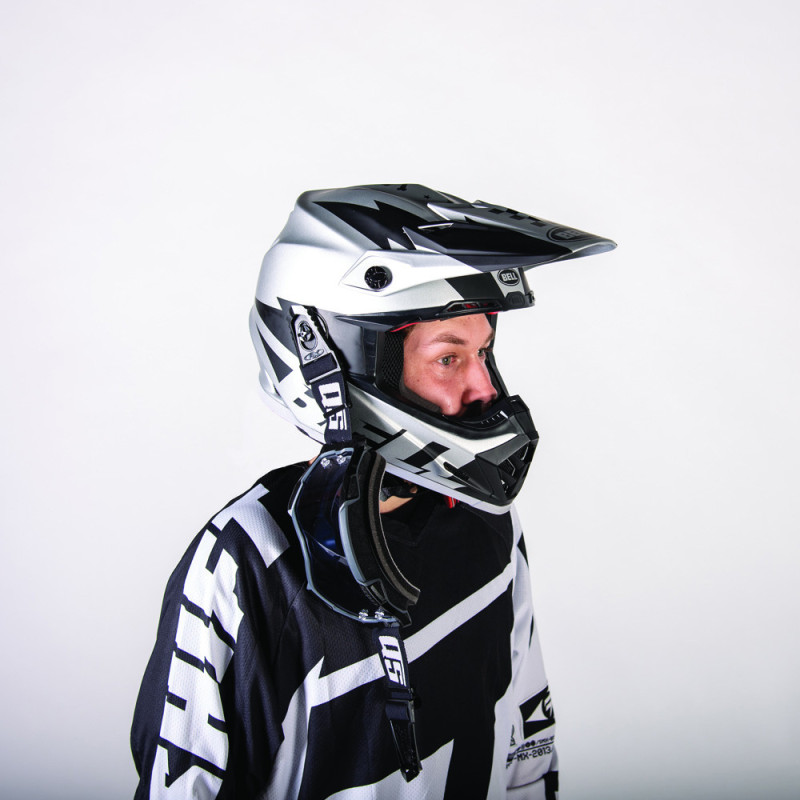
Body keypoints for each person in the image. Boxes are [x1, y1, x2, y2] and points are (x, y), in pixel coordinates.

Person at [131, 183, 615, 799]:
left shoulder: (486, 519)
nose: (485, 389)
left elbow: (526, 746)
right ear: (337, 362)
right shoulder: (248, 561)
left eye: (484, 352)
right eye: (448, 358)